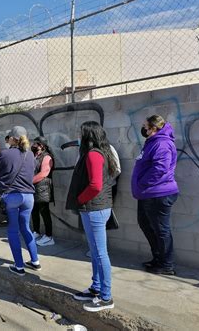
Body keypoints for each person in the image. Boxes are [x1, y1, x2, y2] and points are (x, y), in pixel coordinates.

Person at [66, 121, 116, 312]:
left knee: (100, 253)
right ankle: (96, 288)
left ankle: (106, 297)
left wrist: (80, 199)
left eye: (81, 133)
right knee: (95, 251)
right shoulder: (99, 152)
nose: (79, 136)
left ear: (88, 135)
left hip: (94, 209)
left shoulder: (94, 155)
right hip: (96, 208)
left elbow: (95, 185)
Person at [132, 114, 179, 275]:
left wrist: (142, 182)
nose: (143, 129)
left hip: (158, 194)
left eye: (145, 126)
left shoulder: (162, 143)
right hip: (148, 194)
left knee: (161, 230)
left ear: (154, 128)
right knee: (146, 224)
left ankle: (166, 264)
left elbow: (160, 168)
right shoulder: (152, 142)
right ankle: (158, 258)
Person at [0, 126, 40, 276]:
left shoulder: (5, 154)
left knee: (13, 231)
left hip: (12, 196)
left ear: (12, 138)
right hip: (29, 197)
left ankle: (19, 267)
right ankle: (35, 261)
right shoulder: (31, 154)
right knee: (26, 228)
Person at [31, 136, 55, 247]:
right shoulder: (35, 155)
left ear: (42, 145)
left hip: (43, 188)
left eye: (36, 143)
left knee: (44, 212)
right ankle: (36, 232)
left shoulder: (47, 157)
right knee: (34, 211)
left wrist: (29, 181)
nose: (33, 145)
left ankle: (49, 237)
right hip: (34, 188)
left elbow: (44, 173)